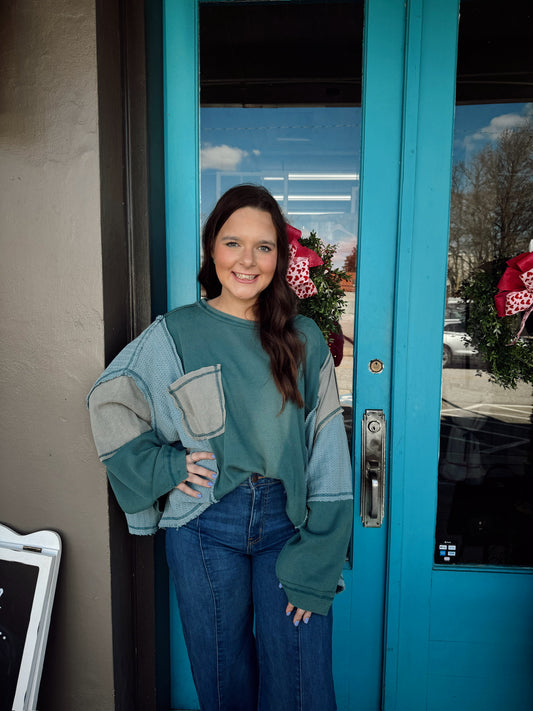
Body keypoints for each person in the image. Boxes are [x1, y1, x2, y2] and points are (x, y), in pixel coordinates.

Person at [87, 184, 353, 711]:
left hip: (288, 524)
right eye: (233, 243)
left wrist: (321, 556)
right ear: (212, 249)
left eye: (264, 246)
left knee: (301, 685)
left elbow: (326, 452)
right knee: (221, 681)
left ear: (280, 257)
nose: (247, 261)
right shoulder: (175, 334)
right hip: (205, 525)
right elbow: (110, 403)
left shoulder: (303, 337)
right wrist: (167, 466)